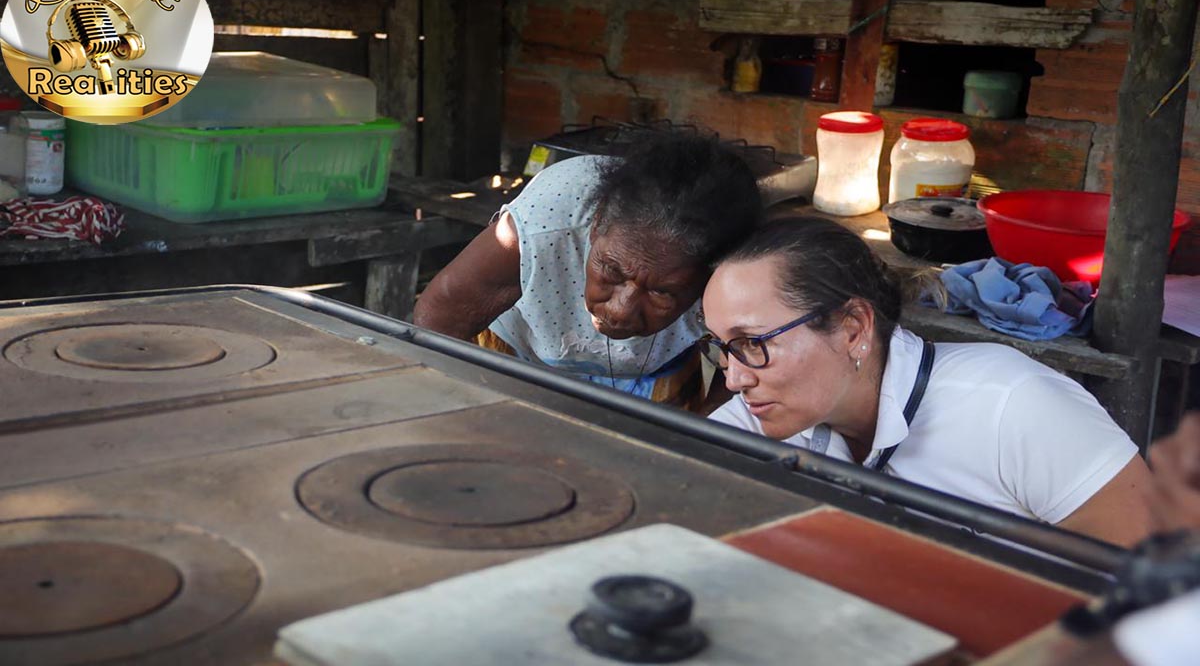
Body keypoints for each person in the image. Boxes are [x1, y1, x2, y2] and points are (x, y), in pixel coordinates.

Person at [701, 216, 1153, 546]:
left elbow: (1157, 584)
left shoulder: (1011, 406)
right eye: (722, 347)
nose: (735, 377)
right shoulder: (763, 414)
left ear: (853, 328)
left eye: (752, 343)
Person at [414, 135, 762, 410]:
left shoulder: (738, 270)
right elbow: (441, 317)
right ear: (594, 227)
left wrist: (709, 418)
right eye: (610, 270)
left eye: (662, 293)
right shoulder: (544, 226)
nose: (619, 310)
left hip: (654, 369)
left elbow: (743, 381)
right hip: (523, 354)